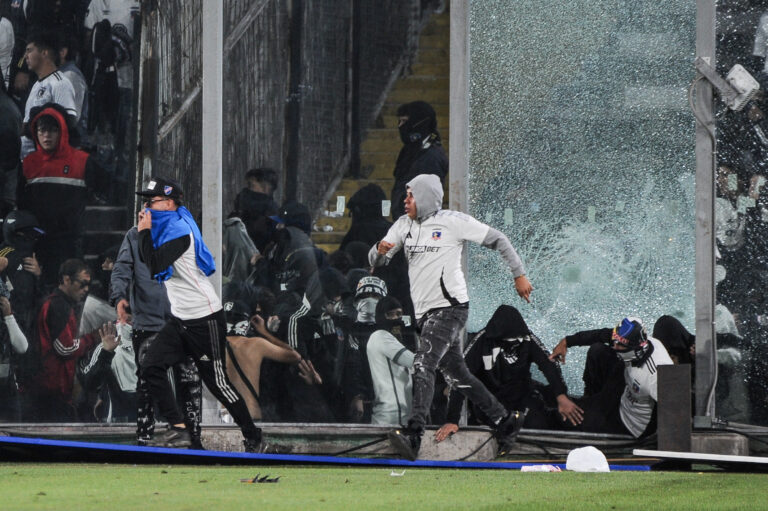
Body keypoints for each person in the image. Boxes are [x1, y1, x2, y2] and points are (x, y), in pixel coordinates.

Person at [370, 173, 533, 460]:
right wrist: (378, 252)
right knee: (457, 374)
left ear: (424, 198)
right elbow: (377, 260)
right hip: (424, 314)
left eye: (410, 196)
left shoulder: (452, 221)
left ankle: (414, 432)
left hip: (450, 307)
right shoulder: (403, 225)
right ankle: (505, 420)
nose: (405, 201)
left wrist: (518, 274)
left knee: (423, 363)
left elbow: (499, 239)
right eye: (406, 195)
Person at [135, 176, 262, 451]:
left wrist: (143, 232)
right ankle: (179, 430)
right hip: (181, 319)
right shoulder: (165, 226)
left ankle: (254, 437)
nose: (145, 208)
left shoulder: (178, 230)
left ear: (169, 204)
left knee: (217, 384)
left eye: (151, 202)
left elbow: (154, 264)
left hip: (205, 319)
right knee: (151, 368)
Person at [110, 225, 203, 448]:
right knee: (147, 382)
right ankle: (145, 439)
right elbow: (122, 268)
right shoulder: (134, 235)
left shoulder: (184, 230)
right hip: (149, 321)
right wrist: (119, 296)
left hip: (182, 318)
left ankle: (193, 440)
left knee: (189, 380)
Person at [436, 305, 583, 441]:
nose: (515, 343)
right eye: (509, 340)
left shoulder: (528, 339)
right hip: (491, 400)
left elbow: (548, 365)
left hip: (521, 395)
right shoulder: (482, 341)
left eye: (517, 340)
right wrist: (452, 420)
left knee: (538, 422)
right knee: (500, 429)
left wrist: (561, 395)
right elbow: (460, 377)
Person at [18, 103, 106, 286]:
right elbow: (21, 202)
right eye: (42, 131)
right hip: (39, 241)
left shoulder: (82, 161)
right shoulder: (28, 164)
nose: (46, 136)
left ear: (62, 131)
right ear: (35, 133)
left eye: (52, 130)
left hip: (70, 241)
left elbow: (107, 186)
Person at [549, 317, 674, 438]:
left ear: (635, 349)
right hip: (624, 389)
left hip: (627, 422)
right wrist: (567, 341)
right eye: (615, 342)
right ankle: (591, 399)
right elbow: (601, 334)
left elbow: (675, 412)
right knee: (597, 350)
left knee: (563, 418)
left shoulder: (656, 376)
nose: (614, 346)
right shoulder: (636, 341)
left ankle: (593, 413)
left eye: (619, 345)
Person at [27, 258, 98, 421]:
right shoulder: (58, 306)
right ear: (67, 279)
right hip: (51, 389)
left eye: (89, 285)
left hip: (50, 387)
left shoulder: (57, 303)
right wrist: (92, 338)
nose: (86, 289)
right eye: (82, 284)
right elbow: (64, 348)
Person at [20, 30, 77, 157]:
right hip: (28, 160)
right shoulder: (37, 84)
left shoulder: (60, 83)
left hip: (46, 163)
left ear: (44, 53)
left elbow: (69, 122)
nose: (25, 56)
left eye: (29, 50)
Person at [390, 101, 448, 220]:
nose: (400, 126)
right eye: (399, 121)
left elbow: (427, 201)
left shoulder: (431, 156)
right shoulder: (409, 151)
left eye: (405, 122)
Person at [367, 296, 415, 426]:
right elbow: (415, 361)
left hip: (399, 416)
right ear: (381, 316)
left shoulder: (396, 341)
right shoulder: (381, 336)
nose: (395, 319)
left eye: (398, 314)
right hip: (389, 418)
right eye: (390, 315)